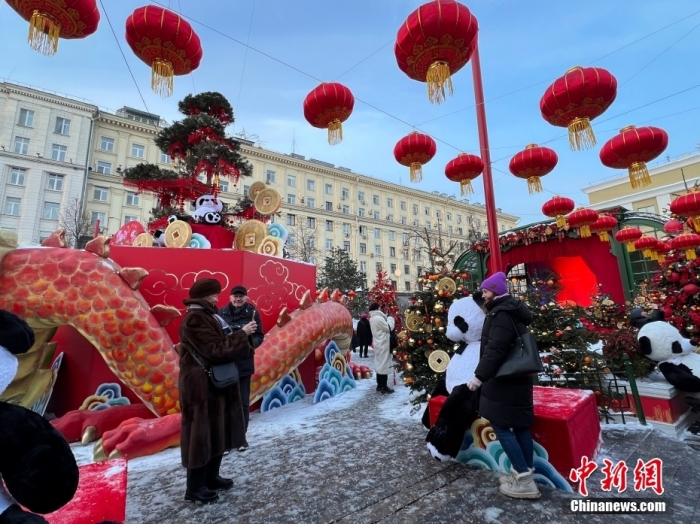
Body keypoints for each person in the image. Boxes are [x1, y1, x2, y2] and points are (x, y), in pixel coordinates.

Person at [179, 279, 257, 504]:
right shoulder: (195, 319)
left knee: (216, 431)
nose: (217, 298)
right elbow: (215, 349)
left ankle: (211, 477)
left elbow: (221, 342)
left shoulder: (211, 315)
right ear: (203, 296)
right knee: (200, 435)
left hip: (214, 383)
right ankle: (194, 488)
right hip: (200, 387)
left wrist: (244, 334)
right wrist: (242, 334)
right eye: (214, 294)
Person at [467, 272, 540, 499]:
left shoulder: (501, 315)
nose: (483, 295)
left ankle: (524, 481)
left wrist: (479, 377)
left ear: (496, 292)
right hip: (517, 378)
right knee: (519, 426)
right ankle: (523, 474)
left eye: (486, 291)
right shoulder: (511, 310)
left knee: (500, 425)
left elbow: (495, 350)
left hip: (504, 379)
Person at [218, 285, 264, 449]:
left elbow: (259, 336)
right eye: (235, 296)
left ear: (246, 298)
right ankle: (225, 440)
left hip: (244, 363)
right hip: (225, 364)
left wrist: (250, 345)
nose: (238, 299)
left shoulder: (252, 313)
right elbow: (217, 338)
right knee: (225, 403)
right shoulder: (221, 313)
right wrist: (241, 334)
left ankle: (240, 438)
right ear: (230, 297)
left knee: (243, 402)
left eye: (241, 297)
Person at [368, 303, 394, 393]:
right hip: (383, 343)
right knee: (384, 365)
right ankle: (384, 386)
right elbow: (388, 328)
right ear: (377, 308)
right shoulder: (378, 318)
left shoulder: (372, 318)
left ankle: (379, 385)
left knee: (379, 364)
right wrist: (391, 319)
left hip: (378, 343)